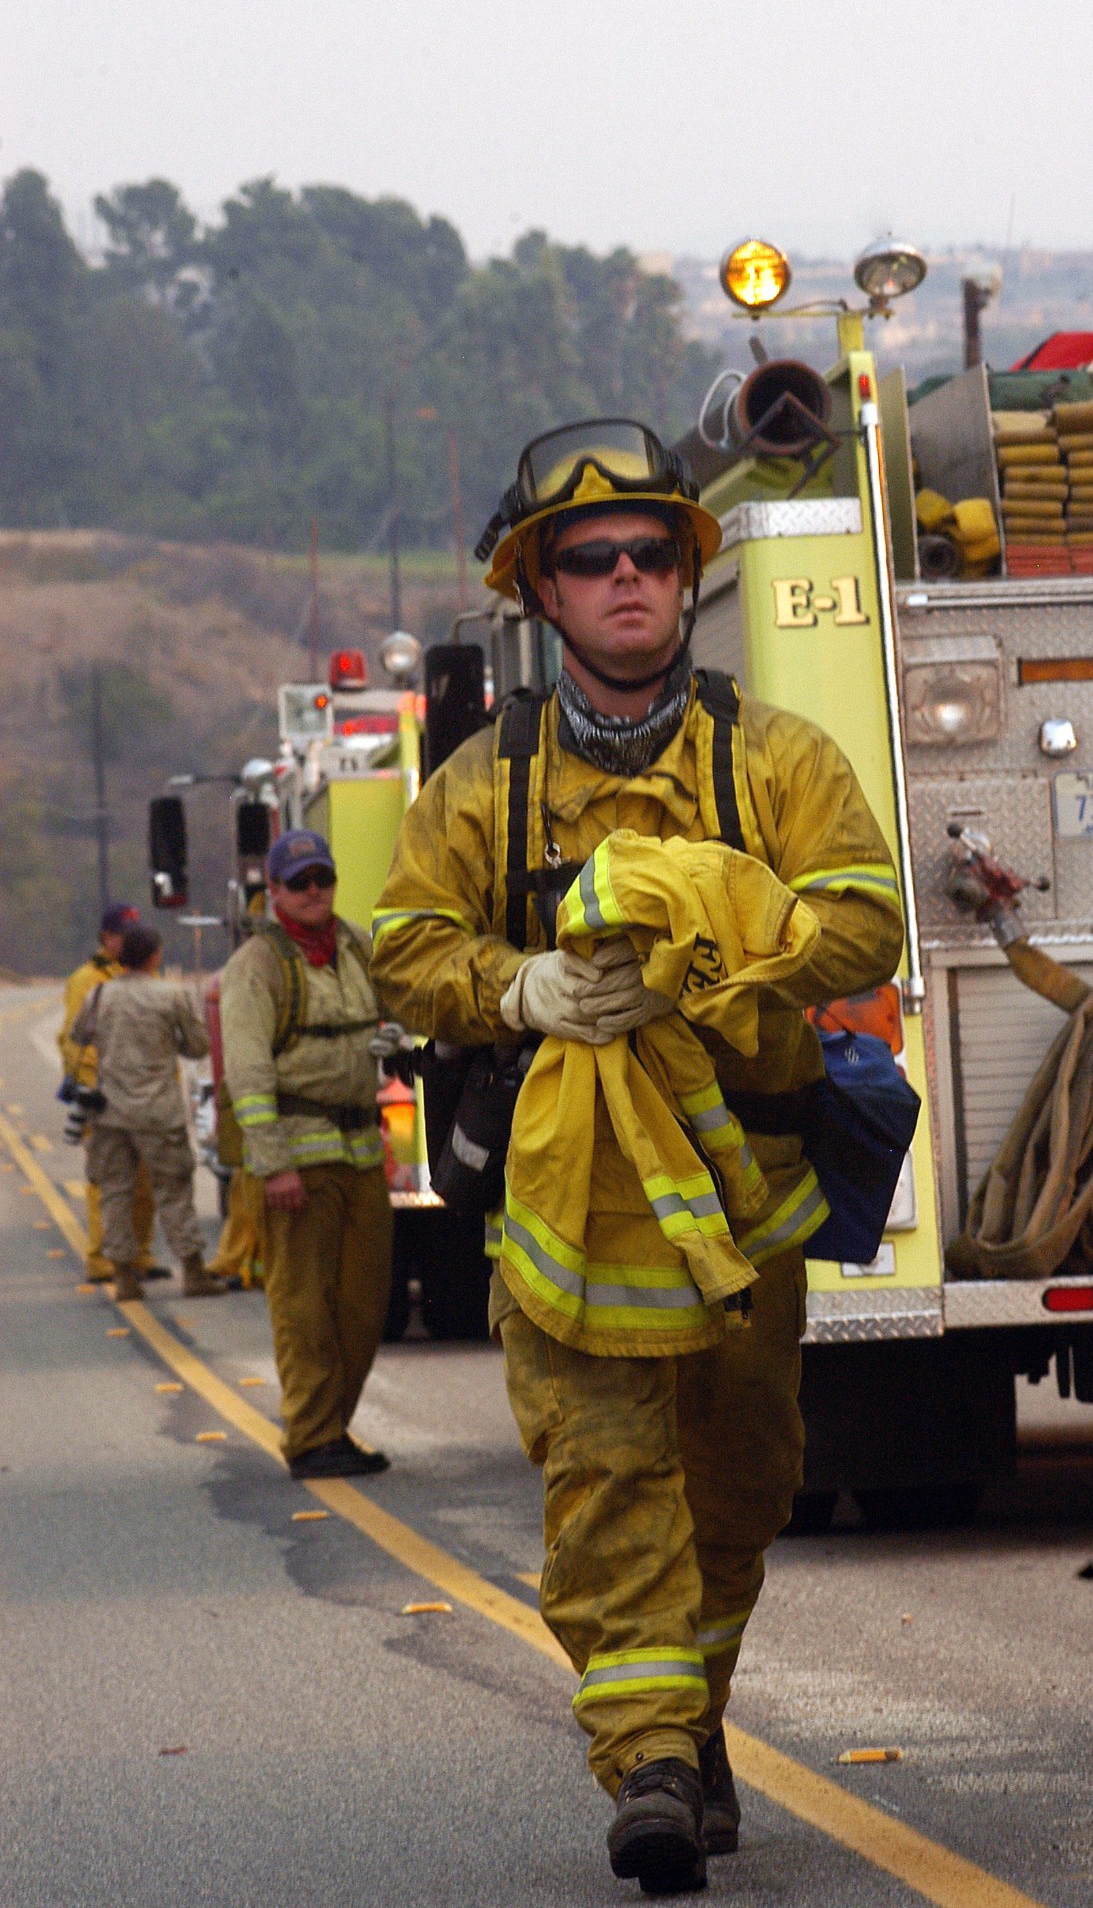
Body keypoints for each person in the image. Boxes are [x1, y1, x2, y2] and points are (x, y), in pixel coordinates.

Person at [370, 422, 903, 1894]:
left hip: (745, 1211)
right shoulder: (484, 784)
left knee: (736, 1488)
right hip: (568, 1214)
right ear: (541, 590)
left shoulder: (774, 758)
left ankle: (695, 1717)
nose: (625, 579)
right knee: (605, 1484)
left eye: (651, 554)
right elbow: (406, 950)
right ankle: (653, 1765)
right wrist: (520, 990)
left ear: (685, 573)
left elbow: (863, 923)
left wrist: (711, 954)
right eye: (589, 559)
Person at [219, 829, 392, 1482]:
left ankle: (331, 1428)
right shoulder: (256, 967)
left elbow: (395, 1006)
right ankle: (313, 1437)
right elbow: (247, 1074)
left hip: (362, 1154)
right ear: (275, 892)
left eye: (322, 877)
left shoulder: (354, 947)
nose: (314, 891)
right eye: (299, 882)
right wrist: (274, 1165)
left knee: (361, 1306)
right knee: (303, 1307)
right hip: (296, 1161)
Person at [72, 923, 223, 1304]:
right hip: (159, 1111)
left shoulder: (99, 994)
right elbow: (197, 1047)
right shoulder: (169, 995)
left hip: (110, 1112)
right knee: (173, 1191)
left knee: (115, 1194)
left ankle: (125, 1278)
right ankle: (192, 1271)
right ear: (154, 956)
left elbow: (79, 1037)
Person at [58, 902, 164, 1283]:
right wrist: (97, 1084)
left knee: (145, 1179)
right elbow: (74, 1042)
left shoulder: (143, 976)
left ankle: (139, 1253)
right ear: (106, 938)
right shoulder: (88, 980)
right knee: (107, 1179)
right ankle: (101, 1257)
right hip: (104, 1095)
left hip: (143, 1096)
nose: (129, 940)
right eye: (122, 934)